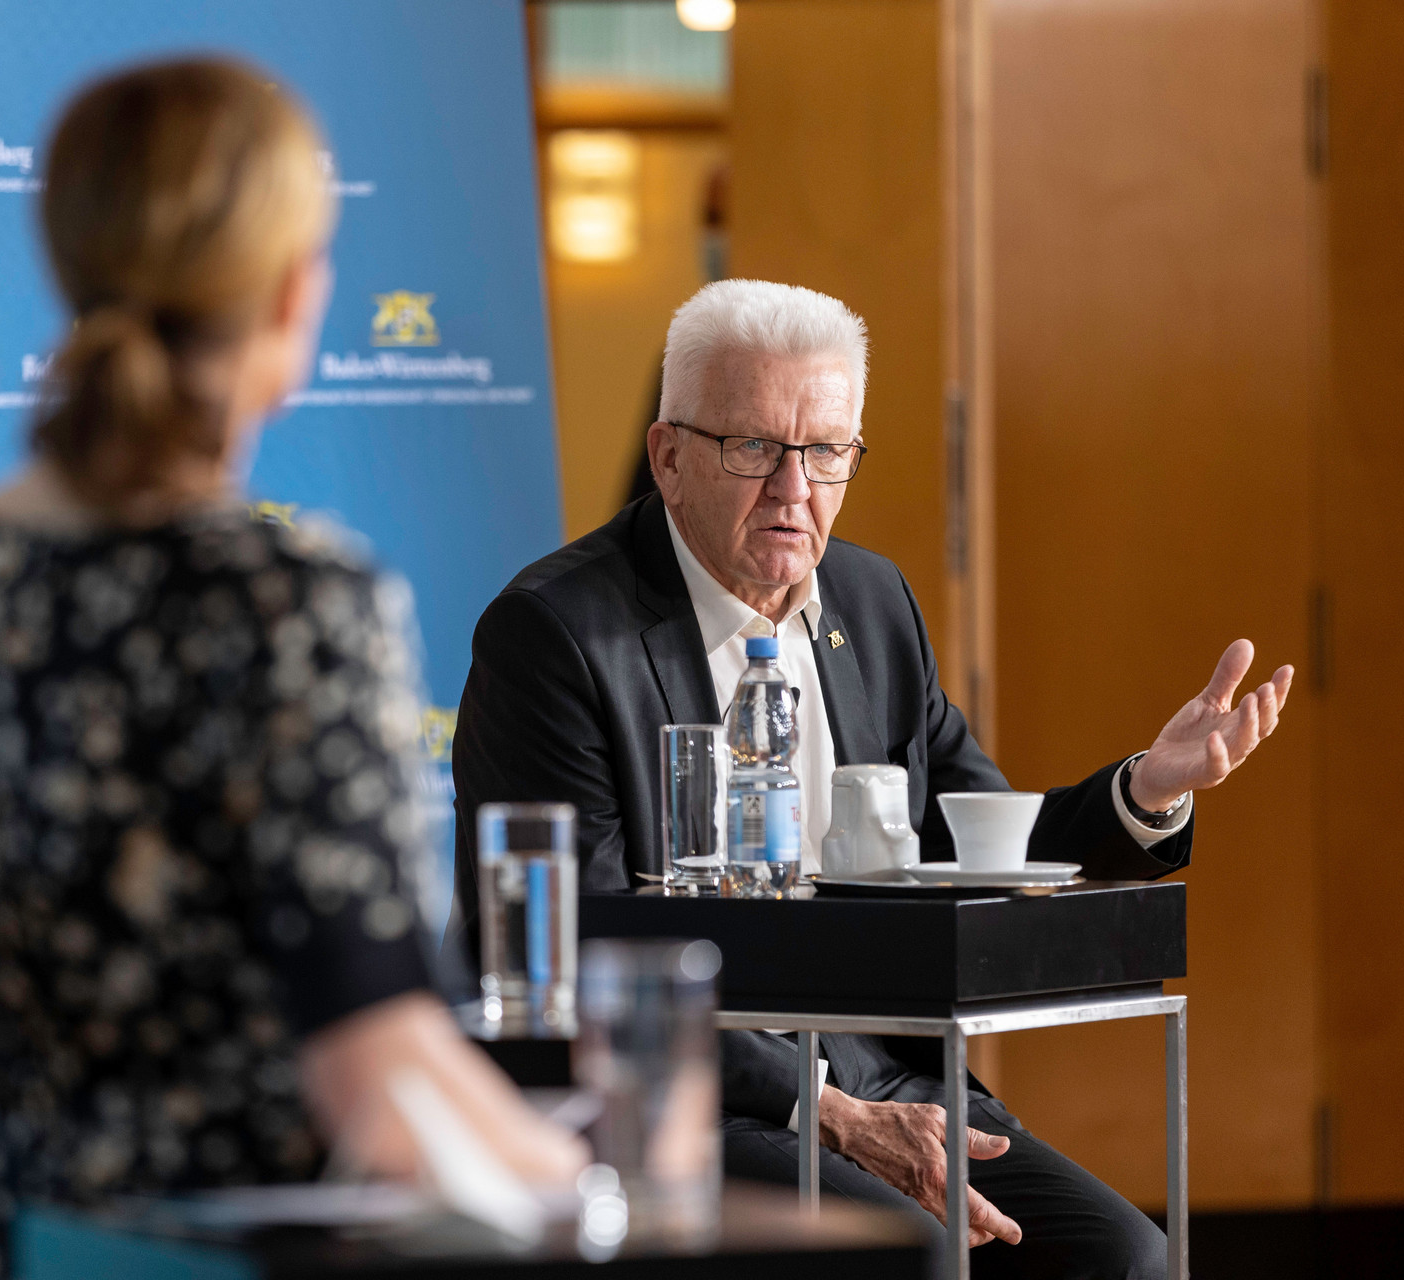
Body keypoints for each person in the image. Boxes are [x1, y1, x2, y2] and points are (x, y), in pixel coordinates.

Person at [0, 58, 587, 1280]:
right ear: (290, 296)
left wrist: (68, 1114)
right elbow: (377, 1072)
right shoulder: (295, 600)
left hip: (2, 1247)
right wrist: (582, 1182)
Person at [450, 278, 1294, 1278]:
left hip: (891, 1072)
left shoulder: (873, 599)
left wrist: (1146, 788)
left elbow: (976, 843)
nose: (794, 490)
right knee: (910, 1258)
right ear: (669, 456)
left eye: (826, 452)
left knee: (1124, 1256)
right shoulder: (554, 635)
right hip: (688, 1095)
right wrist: (830, 1113)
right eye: (755, 447)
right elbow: (572, 943)